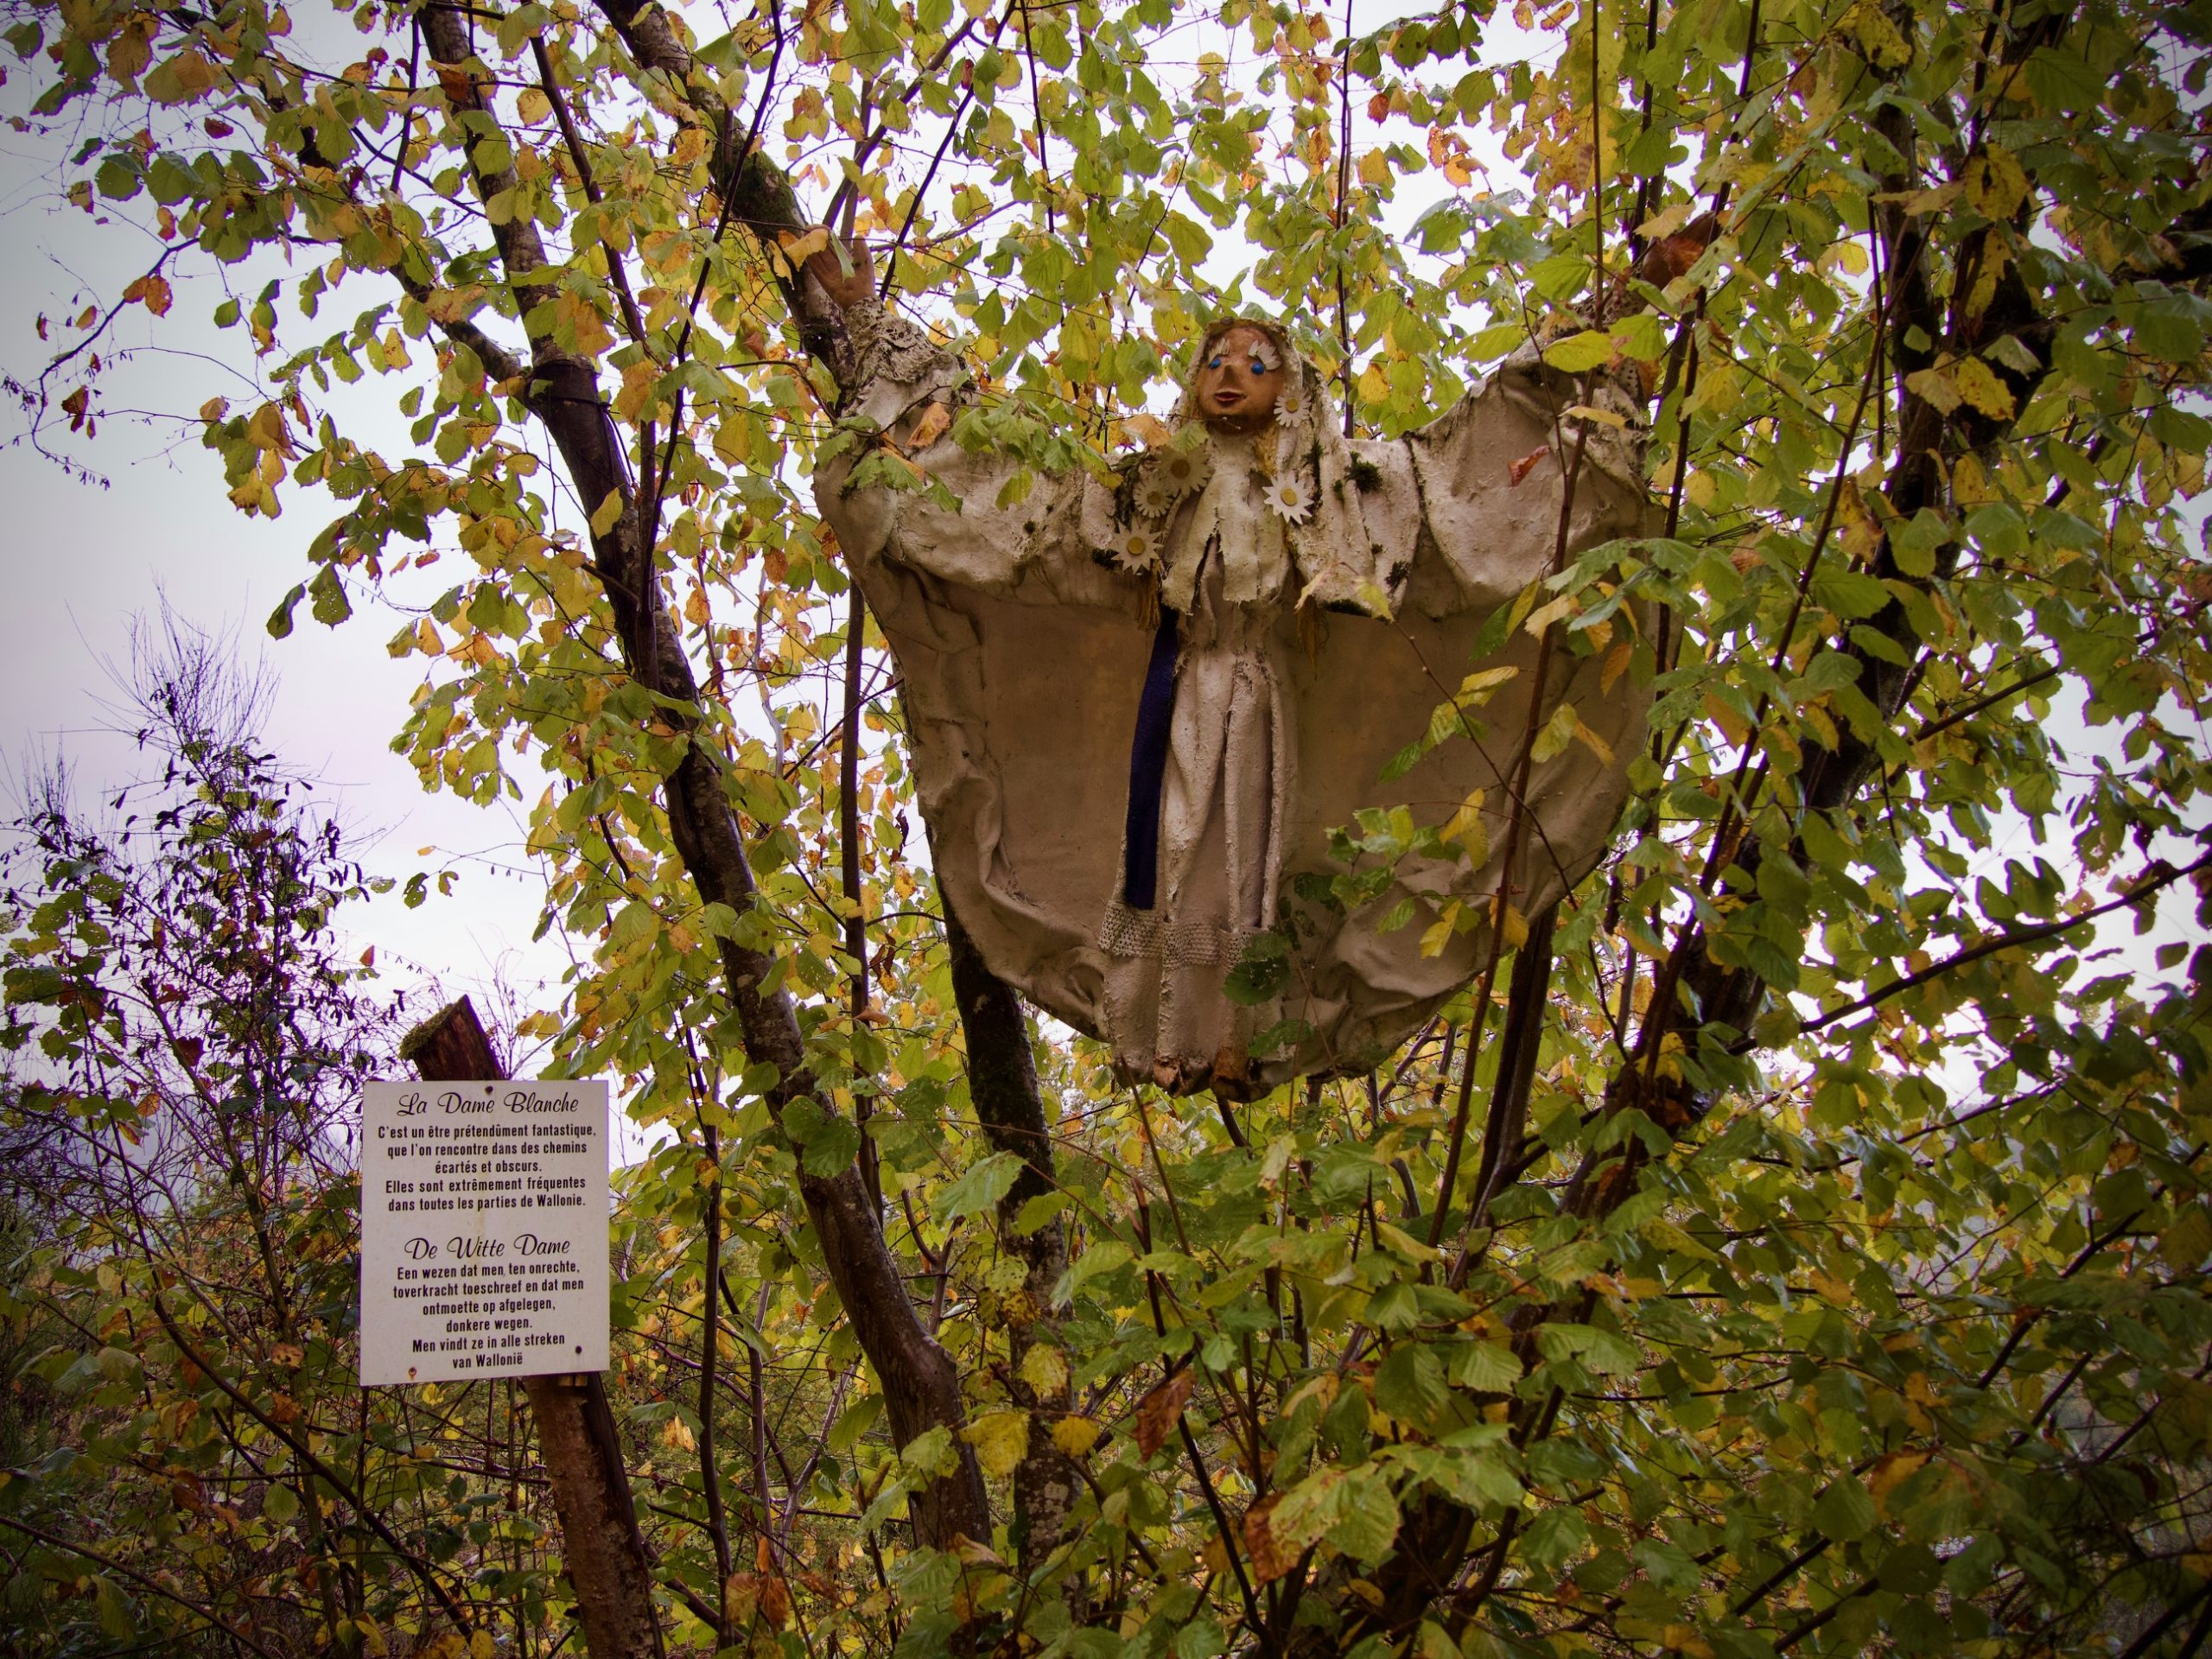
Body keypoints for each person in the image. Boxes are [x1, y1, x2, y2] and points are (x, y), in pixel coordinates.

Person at [810, 242, 1649, 1096]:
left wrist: (1608, 325)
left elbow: (1458, 497)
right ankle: (1162, 1032)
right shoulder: (1150, 491)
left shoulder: (1339, 491)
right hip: (1177, 701)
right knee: (1172, 851)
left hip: (1259, 704)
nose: (1229, 375)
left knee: (1249, 861)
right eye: (1214, 359)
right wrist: (866, 318)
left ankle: (1241, 1038)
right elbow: (1019, 517)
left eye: (1254, 363)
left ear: (1289, 389)